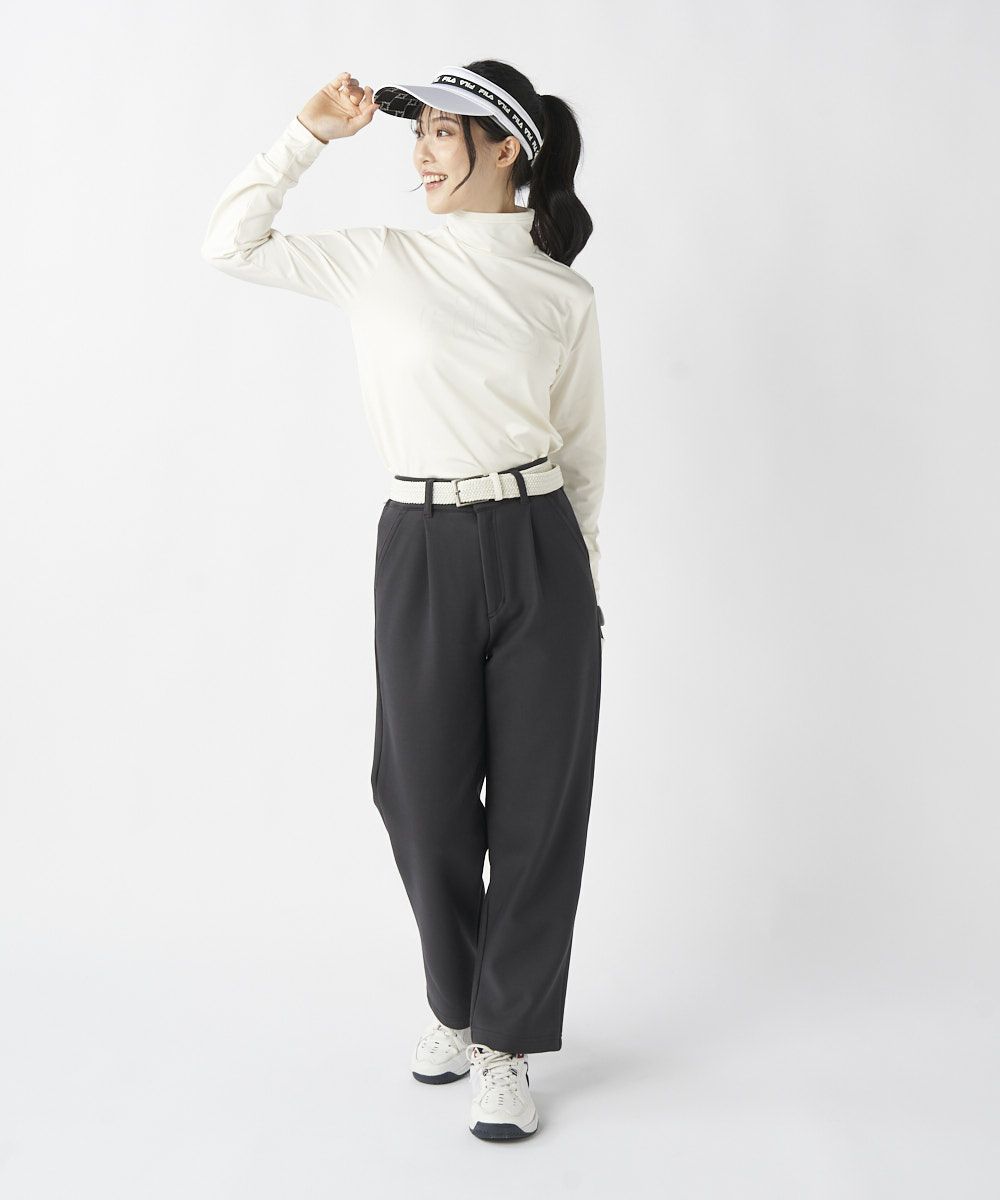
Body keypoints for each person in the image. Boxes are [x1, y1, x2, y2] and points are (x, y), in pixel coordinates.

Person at [201, 60, 606, 1142]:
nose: (419, 153)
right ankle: (460, 1001)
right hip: (421, 541)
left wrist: (582, 589)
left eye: (439, 131)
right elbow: (230, 243)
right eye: (415, 132)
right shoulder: (384, 259)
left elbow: (582, 452)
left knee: (538, 812)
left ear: (505, 147)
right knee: (415, 793)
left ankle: (505, 1044)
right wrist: (305, 135)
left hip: (541, 547)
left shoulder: (560, 293)